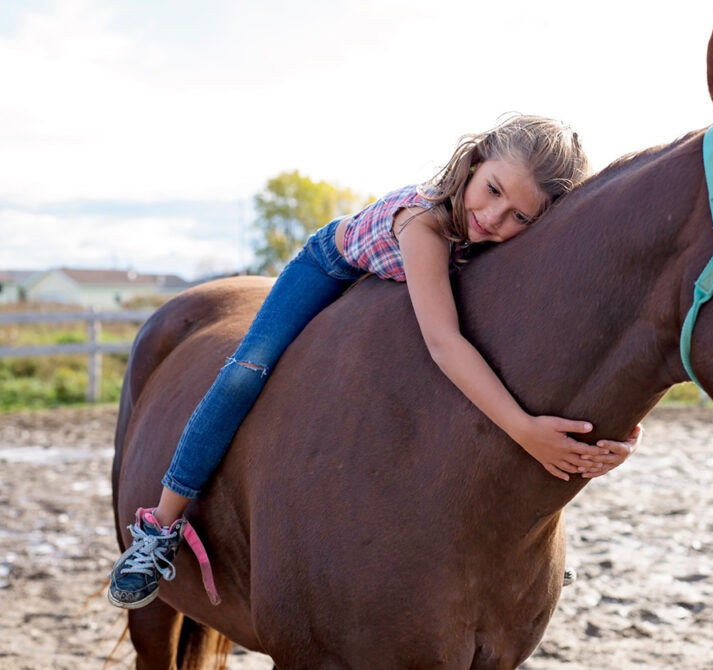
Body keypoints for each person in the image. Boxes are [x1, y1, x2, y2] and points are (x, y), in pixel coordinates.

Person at [108, 114, 642, 609]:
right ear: (476, 162)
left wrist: (622, 430)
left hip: (415, 278)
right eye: (493, 190)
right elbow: (444, 343)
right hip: (333, 264)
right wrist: (525, 429)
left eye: (520, 216)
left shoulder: (500, 241)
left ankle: (517, 548)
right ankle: (158, 529)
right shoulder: (425, 222)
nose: (492, 218)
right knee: (244, 375)